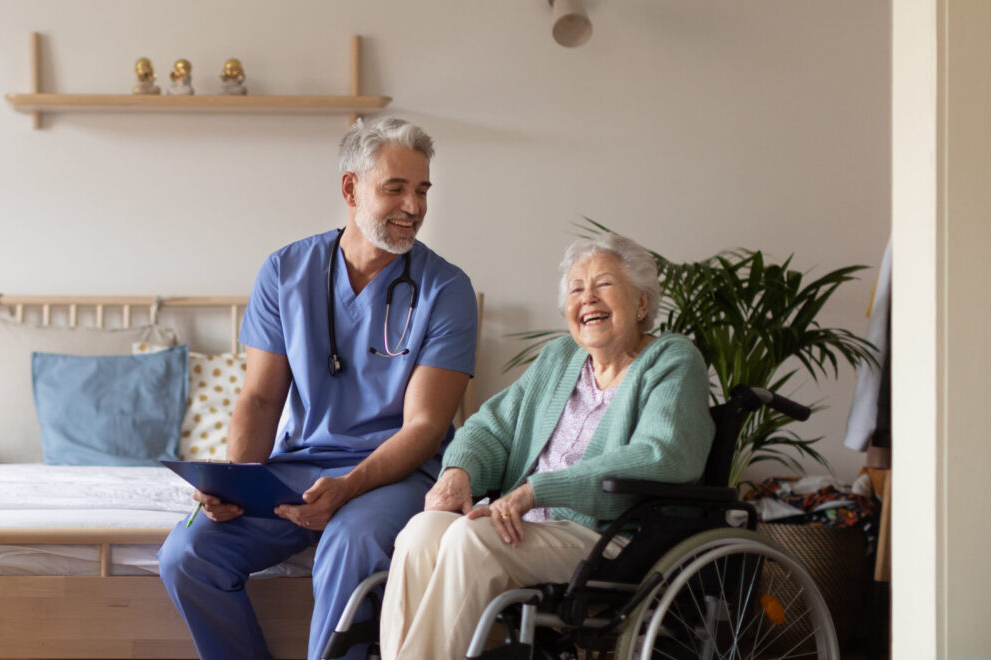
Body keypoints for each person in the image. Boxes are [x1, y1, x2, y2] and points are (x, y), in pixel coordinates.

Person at [158, 117, 479, 660]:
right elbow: (260, 399)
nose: (415, 207)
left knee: (349, 543)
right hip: (300, 468)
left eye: (422, 190)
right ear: (351, 189)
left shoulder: (446, 288)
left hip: (396, 473)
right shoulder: (286, 270)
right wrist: (236, 482)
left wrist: (349, 487)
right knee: (188, 554)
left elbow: (425, 426)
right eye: (395, 188)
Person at [377, 234, 715, 660]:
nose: (587, 298)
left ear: (642, 303)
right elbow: (491, 427)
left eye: (604, 284)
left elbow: (660, 454)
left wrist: (538, 490)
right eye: (576, 288)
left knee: (471, 541)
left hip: (609, 536)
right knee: (421, 531)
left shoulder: (673, 360)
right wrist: (457, 473)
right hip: (524, 529)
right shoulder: (559, 358)